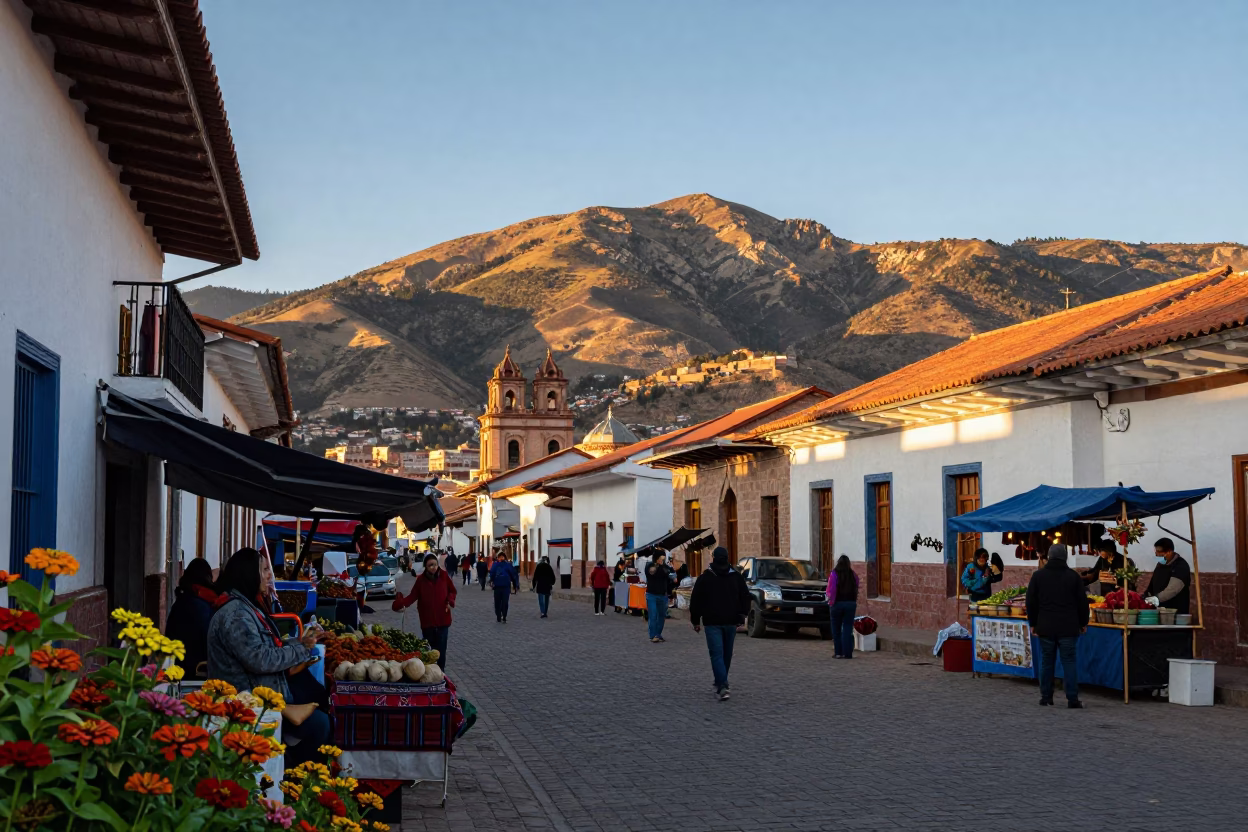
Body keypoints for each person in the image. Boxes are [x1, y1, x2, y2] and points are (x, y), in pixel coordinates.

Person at [207, 548, 329, 765]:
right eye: (263, 570)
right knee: (320, 724)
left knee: (320, 700)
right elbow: (260, 659)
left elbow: (270, 645)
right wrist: (301, 649)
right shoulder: (236, 614)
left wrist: (302, 642)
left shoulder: (246, 605)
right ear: (248, 574)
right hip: (247, 702)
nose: (268, 575)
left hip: (266, 694)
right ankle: (295, 775)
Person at [1025, 543, 1088, 709]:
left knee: (1047, 661)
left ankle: (1046, 697)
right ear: (1065, 557)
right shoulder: (1073, 576)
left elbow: (1031, 601)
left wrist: (1033, 623)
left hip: (1045, 625)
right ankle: (1072, 699)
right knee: (1069, 662)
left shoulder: (1038, 576)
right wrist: (1083, 622)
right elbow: (1082, 602)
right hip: (1068, 626)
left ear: (1050, 556)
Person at [689, 547, 751, 701]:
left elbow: (696, 600)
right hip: (731, 621)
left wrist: (696, 621)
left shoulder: (705, 578)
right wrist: (742, 615)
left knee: (717, 654)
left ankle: (721, 684)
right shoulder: (736, 577)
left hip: (712, 622)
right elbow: (746, 597)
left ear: (714, 558)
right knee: (726, 654)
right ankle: (721, 682)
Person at [393, 552, 456, 669]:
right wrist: (400, 604)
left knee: (441, 653)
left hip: (443, 621)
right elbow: (412, 596)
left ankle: (441, 675)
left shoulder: (444, 576)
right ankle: (429, 676)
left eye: (435, 564)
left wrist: (450, 601)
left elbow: (452, 591)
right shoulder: (421, 580)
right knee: (427, 653)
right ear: (426, 567)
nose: (434, 567)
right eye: (430, 565)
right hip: (428, 623)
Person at [165, 558, 219, 678]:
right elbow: (210, 640)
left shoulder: (180, 602)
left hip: (177, 669)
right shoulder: (203, 605)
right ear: (208, 578)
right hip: (198, 672)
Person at [1143, 537, 1192, 614]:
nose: (1156, 554)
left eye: (1159, 552)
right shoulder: (1160, 565)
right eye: (1156, 551)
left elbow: (1173, 589)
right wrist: (1145, 597)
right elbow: (1152, 586)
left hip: (1175, 612)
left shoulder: (1181, 566)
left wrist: (1157, 598)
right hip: (1160, 611)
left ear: (1169, 552)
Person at [825, 555, 859, 659]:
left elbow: (831, 589)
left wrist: (830, 601)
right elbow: (857, 587)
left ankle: (838, 652)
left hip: (837, 604)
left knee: (836, 629)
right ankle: (848, 653)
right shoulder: (853, 575)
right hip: (850, 603)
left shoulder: (834, 574)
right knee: (847, 629)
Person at [644, 552, 675, 643]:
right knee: (653, 615)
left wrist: (671, 569)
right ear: (656, 558)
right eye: (661, 558)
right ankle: (653, 635)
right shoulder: (650, 565)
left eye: (663, 558)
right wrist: (658, 565)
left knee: (661, 616)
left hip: (663, 595)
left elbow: (673, 575)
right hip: (651, 595)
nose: (662, 560)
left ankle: (658, 634)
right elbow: (651, 572)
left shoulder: (665, 567)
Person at [490, 552, 519, 622]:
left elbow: (492, 574)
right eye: (501, 557)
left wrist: (492, 581)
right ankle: (502, 615)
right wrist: (516, 585)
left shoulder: (496, 565)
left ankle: (500, 615)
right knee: (503, 602)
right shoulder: (507, 565)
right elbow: (514, 575)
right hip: (504, 586)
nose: (501, 558)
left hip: (500, 586)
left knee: (499, 602)